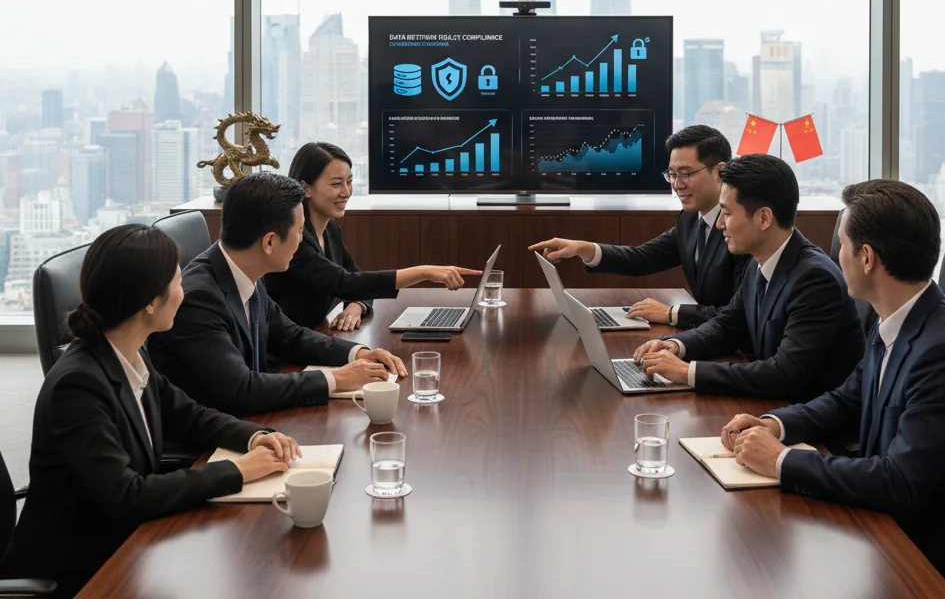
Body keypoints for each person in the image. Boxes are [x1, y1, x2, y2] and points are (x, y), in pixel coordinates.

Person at [721, 180, 945, 598]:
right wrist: (776, 424)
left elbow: (899, 482)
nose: (835, 255)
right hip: (888, 531)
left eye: (841, 244)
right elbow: (848, 397)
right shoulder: (899, 316)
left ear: (867, 258)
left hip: (940, 566)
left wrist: (781, 461)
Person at [0, 225, 300, 598]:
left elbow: (189, 415)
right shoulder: (76, 386)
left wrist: (255, 436)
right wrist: (237, 470)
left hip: (129, 548)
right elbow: (128, 496)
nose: (184, 291)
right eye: (177, 281)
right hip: (82, 573)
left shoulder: (129, 352)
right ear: (149, 301)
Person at [148, 172, 408, 417]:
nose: (301, 239)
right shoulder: (199, 299)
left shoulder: (244, 269)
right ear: (269, 242)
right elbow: (241, 390)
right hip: (210, 444)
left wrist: (358, 354)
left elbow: (290, 337)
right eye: (299, 231)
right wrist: (337, 379)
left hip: (255, 418)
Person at [633, 154, 864, 402]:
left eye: (727, 214)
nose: (720, 224)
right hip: (769, 406)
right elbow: (728, 325)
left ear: (764, 218)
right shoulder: (758, 262)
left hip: (809, 424)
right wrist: (677, 346)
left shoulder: (815, 280)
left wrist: (688, 372)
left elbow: (784, 374)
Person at [528, 126, 749, 328]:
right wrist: (582, 248)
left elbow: (740, 314)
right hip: (707, 335)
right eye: (672, 174)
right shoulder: (690, 220)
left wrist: (672, 313)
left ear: (720, 172)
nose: (677, 184)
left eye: (686, 174)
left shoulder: (742, 229)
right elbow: (642, 258)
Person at [264, 142, 482, 331]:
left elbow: (358, 280)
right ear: (306, 188)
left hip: (315, 337)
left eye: (349, 181)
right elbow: (345, 283)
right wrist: (423, 272)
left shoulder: (331, 229)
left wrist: (356, 306)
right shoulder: (294, 240)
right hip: (286, 353)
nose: (346, 192)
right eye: (336, 184)